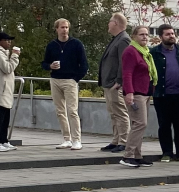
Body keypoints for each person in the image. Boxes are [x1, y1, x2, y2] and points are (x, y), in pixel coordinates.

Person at [41, 18, 88, 150]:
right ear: (56, 29)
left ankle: (77, 139)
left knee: (72, 110)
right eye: (62, 27)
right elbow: (44, 63)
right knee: (60, 111)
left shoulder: (76, 44)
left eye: (66, 27)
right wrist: (50, 66)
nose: (64, 30)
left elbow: (84, 64)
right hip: (55, 79)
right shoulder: (52, 45)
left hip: (70, 80)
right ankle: (66, 139)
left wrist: (76, 78)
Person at [151, 24, 179, 162]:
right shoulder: (154, 52)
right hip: (162, 95)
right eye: (167, 34)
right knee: (164, 125)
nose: (171, 36)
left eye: (172, 34)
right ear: (161, 37)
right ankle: (167, 152)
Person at [120, 26, 156, 168]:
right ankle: (128, 155)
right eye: (141, 34)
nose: (145, 37)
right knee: (141, 123)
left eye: (147, 35)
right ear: (134, 36)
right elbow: (127, 73)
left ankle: (137, 155)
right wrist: (129, 93)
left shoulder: (145, 52)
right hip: (136, 93)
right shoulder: (130, 51)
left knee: (139, 125)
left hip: (146, 92)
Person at [98, 13, 131, 153]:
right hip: (109, 83)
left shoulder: (123, 40)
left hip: (115, 84)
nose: (108, 24)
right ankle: (116, 140)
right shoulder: (116, 39)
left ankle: (124, 141)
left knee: (120, 112)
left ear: (116, 23)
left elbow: (124, 62)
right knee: (113, 113)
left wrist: (119, 81)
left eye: (110, 21)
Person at [0, 31, 20, 152]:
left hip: (5, 90)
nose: (9, 43)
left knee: (5, 116)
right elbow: (8, 68)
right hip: (0, 90)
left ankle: (4, 140)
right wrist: (15, 56)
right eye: (7, 40)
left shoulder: (2, 53)